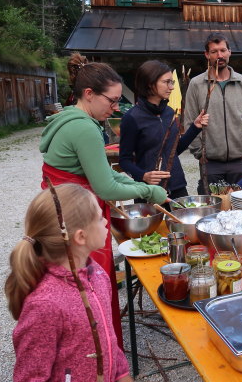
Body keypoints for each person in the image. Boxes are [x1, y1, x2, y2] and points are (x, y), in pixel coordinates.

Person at [40, 53, 167, 345]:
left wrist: (138, 181)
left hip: (66, 208)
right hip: (75, 219)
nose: (114, 108)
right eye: (111, 101)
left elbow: (104, 174)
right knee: (88, 286)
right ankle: (99, 349)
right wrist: (147, 191)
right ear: (88, 94)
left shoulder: (71, 120)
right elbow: (106, 187)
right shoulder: (84, 128)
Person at [5, 184, 136, 382]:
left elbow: (106, 332)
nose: (105, 221)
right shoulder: (46, 305)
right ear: (81, 237)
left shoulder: (97, 275)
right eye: (98, 217)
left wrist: (120, 370)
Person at [119, 60, 209, 200]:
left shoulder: (169, 113)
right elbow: (124, 160)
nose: (171, 87)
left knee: (182, 222)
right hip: (148, 191)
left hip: (178, 187)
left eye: (172, 82)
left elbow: (174, 150)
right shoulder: (132, 118)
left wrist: (195, 128)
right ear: (150, 83)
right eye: (167, 82)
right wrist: (143, 176)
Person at [184, 33, 242, 193]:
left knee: (240, 207)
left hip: (239, 161)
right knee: (212, 208)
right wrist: (199, 153)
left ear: (230, 52)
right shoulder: (196, 84)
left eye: (223, 50)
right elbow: (189, 122)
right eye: (214, 51)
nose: (219, 55)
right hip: (210, 162)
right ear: (207, 55)